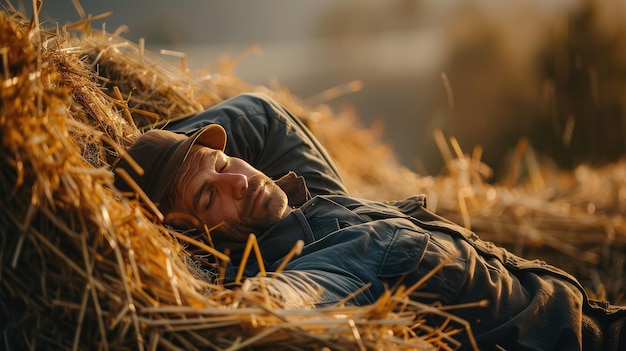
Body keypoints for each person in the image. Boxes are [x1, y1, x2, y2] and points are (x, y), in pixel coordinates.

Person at [112, 92, 625, 350]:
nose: (239, 181)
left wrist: (150, 153)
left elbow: (261, 112)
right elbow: (272, 305)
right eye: (208, 198)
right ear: (197, 240)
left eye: (225, 165)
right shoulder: (325, 266)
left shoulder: (318, 202)